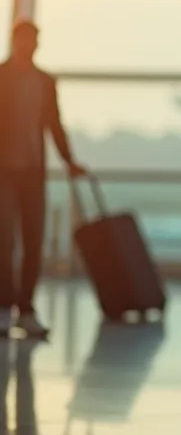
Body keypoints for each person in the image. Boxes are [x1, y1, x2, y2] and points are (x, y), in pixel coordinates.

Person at [0, 20, 87, 338]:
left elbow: (54, 124)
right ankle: (4, 305)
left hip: (32, 172)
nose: (30, 46)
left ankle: (25, 308)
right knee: (4, 241)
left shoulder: (44, 82)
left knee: (33, 240)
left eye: (34, 41)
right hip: (4, 172)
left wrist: (68, 160)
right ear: (14, 41)